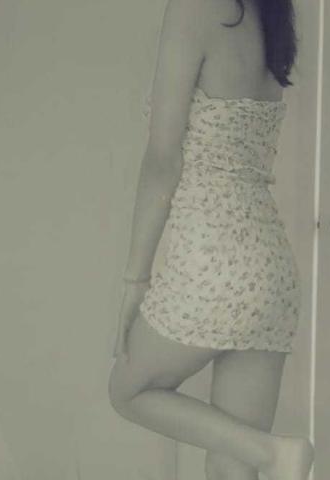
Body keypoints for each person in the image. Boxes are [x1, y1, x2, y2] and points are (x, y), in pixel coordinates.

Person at [108, 1, 314, 479]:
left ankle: (275, 454)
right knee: (230, 467)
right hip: (271, 271)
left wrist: (136, 279)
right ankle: (270, 454)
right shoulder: (270, 14)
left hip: (214, 261)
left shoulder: (194, 8)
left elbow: (163, 159)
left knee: (128, 392)